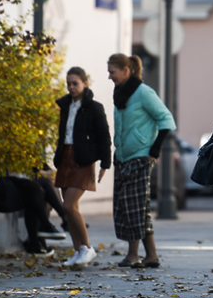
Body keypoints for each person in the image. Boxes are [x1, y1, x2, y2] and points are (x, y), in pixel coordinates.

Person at [109, 53, 176, 269]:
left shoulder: (144, 92)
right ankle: (152, 255)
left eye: (112, 72)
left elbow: (166, 120)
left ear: (125, 71)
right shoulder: (120, 93)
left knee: (133, 206)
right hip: (122, 157)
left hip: (140, 156)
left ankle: (133, 254)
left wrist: (154, 150)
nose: (110, 76)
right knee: (133, 206)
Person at [53, 67, 112, 267]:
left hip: (82, 160)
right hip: (65, 158)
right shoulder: (65, 106)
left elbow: (104, 136)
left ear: (85, 83)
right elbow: (62, 135)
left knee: (69, 204)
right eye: (68, 83)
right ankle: (78, 252)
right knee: (69, 209)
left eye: (75, 83)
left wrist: (105, 163)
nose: (71, 87)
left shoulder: (94, 108)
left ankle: (87, 247)